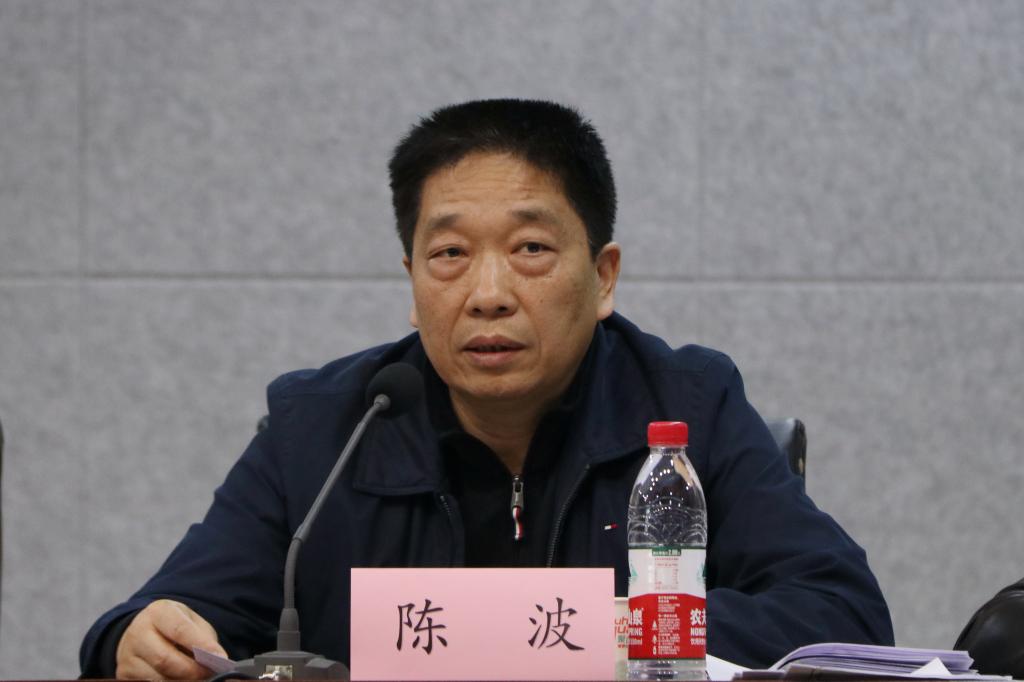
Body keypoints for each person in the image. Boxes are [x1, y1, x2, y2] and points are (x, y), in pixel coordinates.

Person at [80, 99, 894, 679]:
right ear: (412, 281)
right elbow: (173, 614)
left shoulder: (687, 404)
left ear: (603, 277)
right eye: (450, 255)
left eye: (531, 249)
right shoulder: (326, 426)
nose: (489, 293)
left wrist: (619, 630)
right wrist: (134, 637)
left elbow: (843, 615)